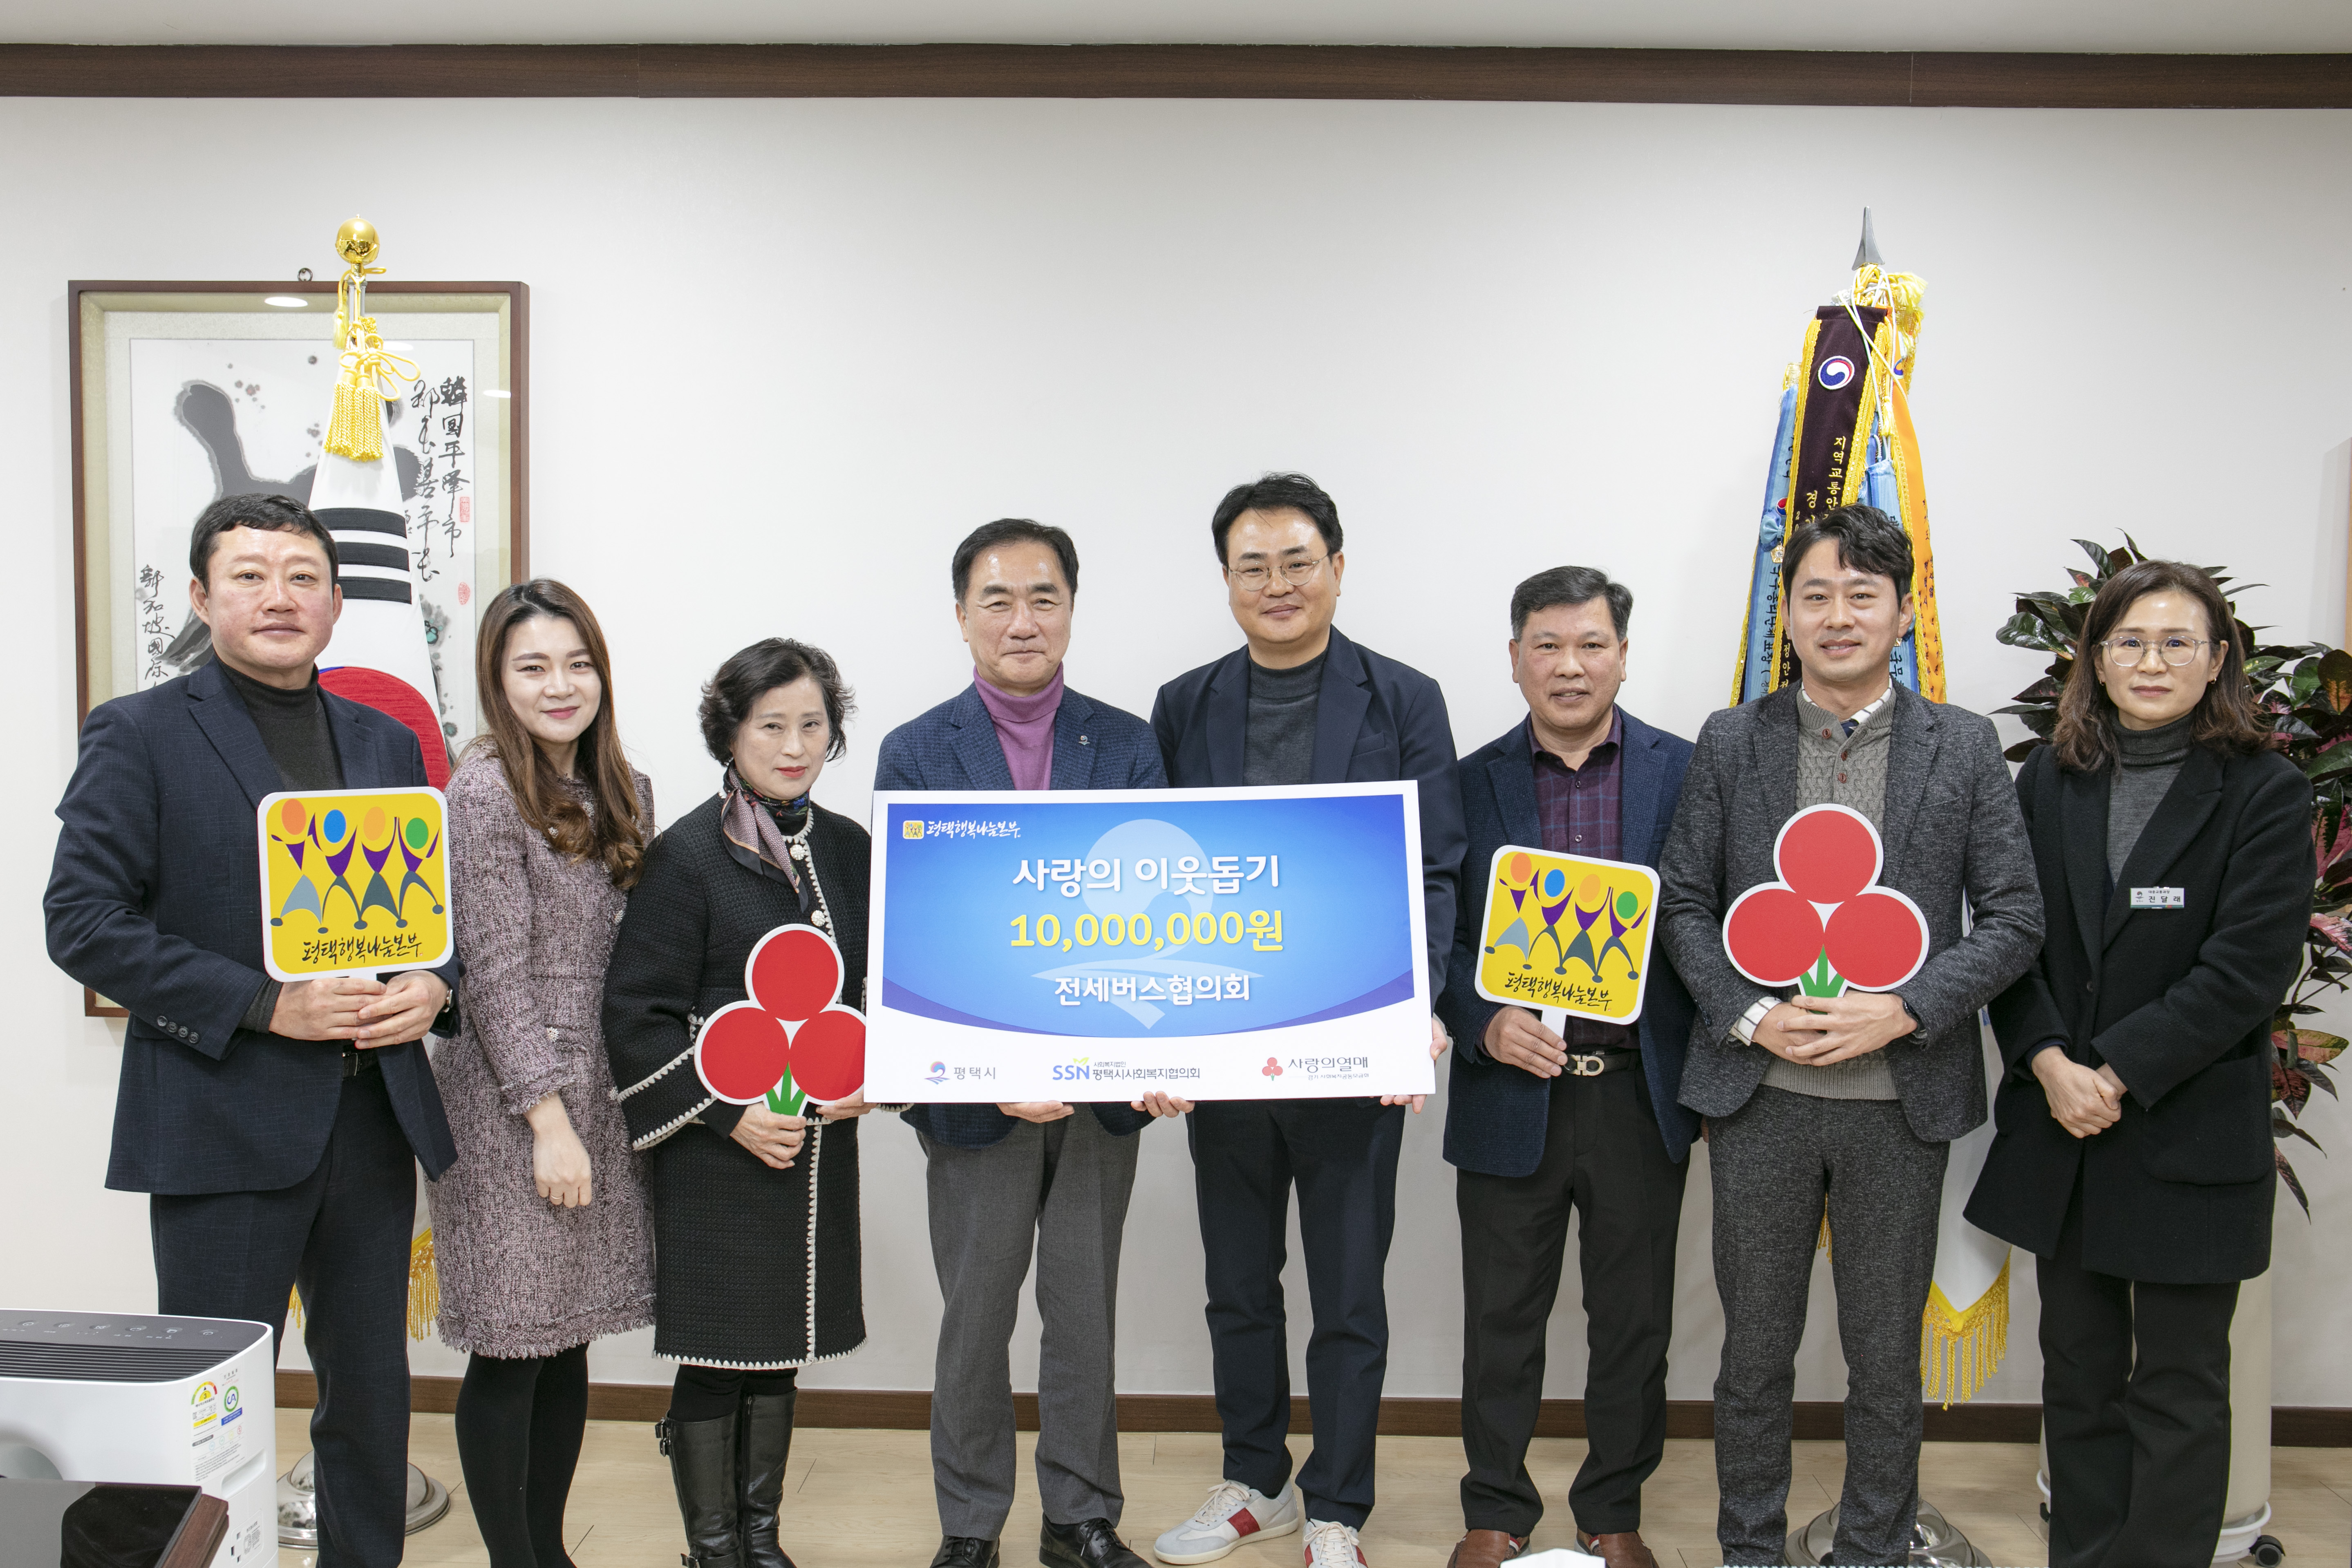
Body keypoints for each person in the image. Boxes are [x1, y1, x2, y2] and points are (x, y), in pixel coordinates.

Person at [45, 493, 458, 1568]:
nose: (279, 595)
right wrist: (267, 1002)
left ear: (335, 601)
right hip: (221, 1118)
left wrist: (433, 985)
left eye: (302, 576)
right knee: (207, 1404)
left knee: (370, 1391)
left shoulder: (385, 738)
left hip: (373, 1116)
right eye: (249, 574)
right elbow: (81, 920)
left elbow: (437, 917)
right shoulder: (139, 731)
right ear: (201, 596)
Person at [1656, 503, 2043, 1567]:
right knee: (1753, 1354)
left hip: (1899, 1102)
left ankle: (1870, 1549)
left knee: (1883, 1358)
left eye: (1860, 595)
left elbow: (2014, 916)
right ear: (1784, 613)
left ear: (1901, 611)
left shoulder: (1961, 744)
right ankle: (1748, 1549)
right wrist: (1751, 1012)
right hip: (1758, 1099)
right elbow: (1683, 900)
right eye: (1814, 594)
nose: (1837, 615)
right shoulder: (1731, 738)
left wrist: (1904, 1005)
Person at [1965, 561, 2311, 1568]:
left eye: (2176, 642)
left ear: (2217, 660)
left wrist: (2108, 1072)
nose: (2151, 661)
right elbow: (2009, 937)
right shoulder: (2049, 778)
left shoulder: (2266, 790)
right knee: (2076, 1377)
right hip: (2062, 1133)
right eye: (2129, 641)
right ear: (2096, 658)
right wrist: (2045, 1060)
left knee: (2178, 1386)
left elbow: (2246, 970)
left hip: (2183, 1133)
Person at [1148, 474, 1466, 1568]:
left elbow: (1435, 867)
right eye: (1253, 566)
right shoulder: (1183, 703)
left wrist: (1414, 1008)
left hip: (1350, 1049)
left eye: (1297, 561)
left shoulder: (1404, 697)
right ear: (1226, 579)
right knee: (1236, 1285)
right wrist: (1157, 1031)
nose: (1276, 583)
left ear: (1337, 566)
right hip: (1224, 1048)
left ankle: (1336, 1502)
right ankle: (1255, 1480)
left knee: (1347, 1293)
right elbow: (1158, 876)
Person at [871, 518, 1170, 1568]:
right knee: (976, 1316)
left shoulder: (1128, 743)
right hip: (974, 1098)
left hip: (1100, 1094)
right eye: (996, 599)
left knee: (1083, 1313)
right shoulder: (915, 750)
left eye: (1044, 597)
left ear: (1072, 609)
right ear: (961, 616)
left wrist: (1160, 1056)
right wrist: (1000, 1071)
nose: (1022, 619)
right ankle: (970, 1524)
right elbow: (919, 931)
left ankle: (1080, 1516)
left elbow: (1156, 917)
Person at [1434, 568, 1697, 1568]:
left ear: (1622, 655)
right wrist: (1480, 1021)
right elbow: (1435, 935)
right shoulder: (1464, 782)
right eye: (1546, 645)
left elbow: (1709, 921)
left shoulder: (1686, 771)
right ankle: (1495, 1508)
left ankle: (1611, 1508)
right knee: (1500, 1315)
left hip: (1639, 1090)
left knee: (1632, 1319)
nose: (1570, 665)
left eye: (1591, 644)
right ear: (1514, 659)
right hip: (1510, 1091)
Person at [602, 639, 875, 1568]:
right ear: (729, 732)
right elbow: (635, 1013)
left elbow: (871, 993)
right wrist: (730, 1113)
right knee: (721, 1352)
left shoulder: (848, 847)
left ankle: (762, 1538)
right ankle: (713, 1549)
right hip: (720, 1150)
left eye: (813, 724)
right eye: (771, 725)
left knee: (782, 1343)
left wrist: (868, 1081)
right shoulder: (687, 854)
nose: (795, 746)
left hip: (815, 1145)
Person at [432, 581, 658, 1568]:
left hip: (601, 1088)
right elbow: (492, 972)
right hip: (510, 1101)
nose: (560, 684)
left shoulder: (626, 786)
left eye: (578, 662)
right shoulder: (483, 792)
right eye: (533, 666)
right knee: (512, 1339)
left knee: (568, 1333)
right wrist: (548, 1122)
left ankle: (549, 1550)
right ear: (497, 680)